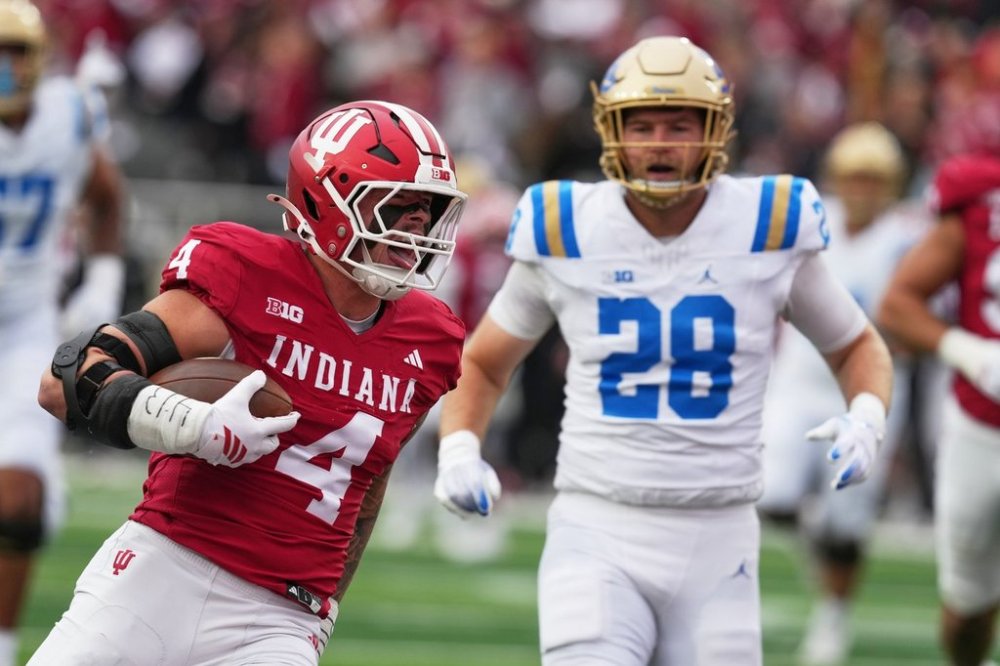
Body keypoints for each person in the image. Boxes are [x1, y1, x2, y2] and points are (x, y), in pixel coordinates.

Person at [433, 35, 894, 666]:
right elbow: (485, 361)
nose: (659, 143)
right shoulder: (566, 223)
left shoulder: (769, 223)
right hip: (597, 525)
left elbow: (855, 346)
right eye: (641, 125)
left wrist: (867, 416)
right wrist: (459, 448)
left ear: (716, 131)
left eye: (681, 124)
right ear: (610, 133)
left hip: (720, 532)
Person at [31, 99, 467, 665]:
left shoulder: (431, 339)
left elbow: (366, 488)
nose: (418, 226)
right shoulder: (245, 273)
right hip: (163, 570)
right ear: (327, 200)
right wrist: (190, 424)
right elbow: (66, 380)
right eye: (399, 204)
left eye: (428, 209)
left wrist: (325, 603)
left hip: (279, 619)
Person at [756, 121, 927, 665]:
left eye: (873, 179)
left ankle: (833, 614)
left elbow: (918, 311)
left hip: (863, 389)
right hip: (796, 381)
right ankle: (818, 554)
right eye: (854, 177)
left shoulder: (906, 238)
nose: (862, 189)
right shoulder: (809, 219)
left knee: (847, 524)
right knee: (769, 496)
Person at [0, 2, 125, 664]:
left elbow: (106, 195)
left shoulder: (67, 114)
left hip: (25, 321)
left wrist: (101, 279)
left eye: (16, 50)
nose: (6, 66)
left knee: (20, 503)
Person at [877, 98, 1000, 666]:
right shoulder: (980, 199)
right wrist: (969, 351)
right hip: (984, 425)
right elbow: (898, 303)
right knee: (969, 605)